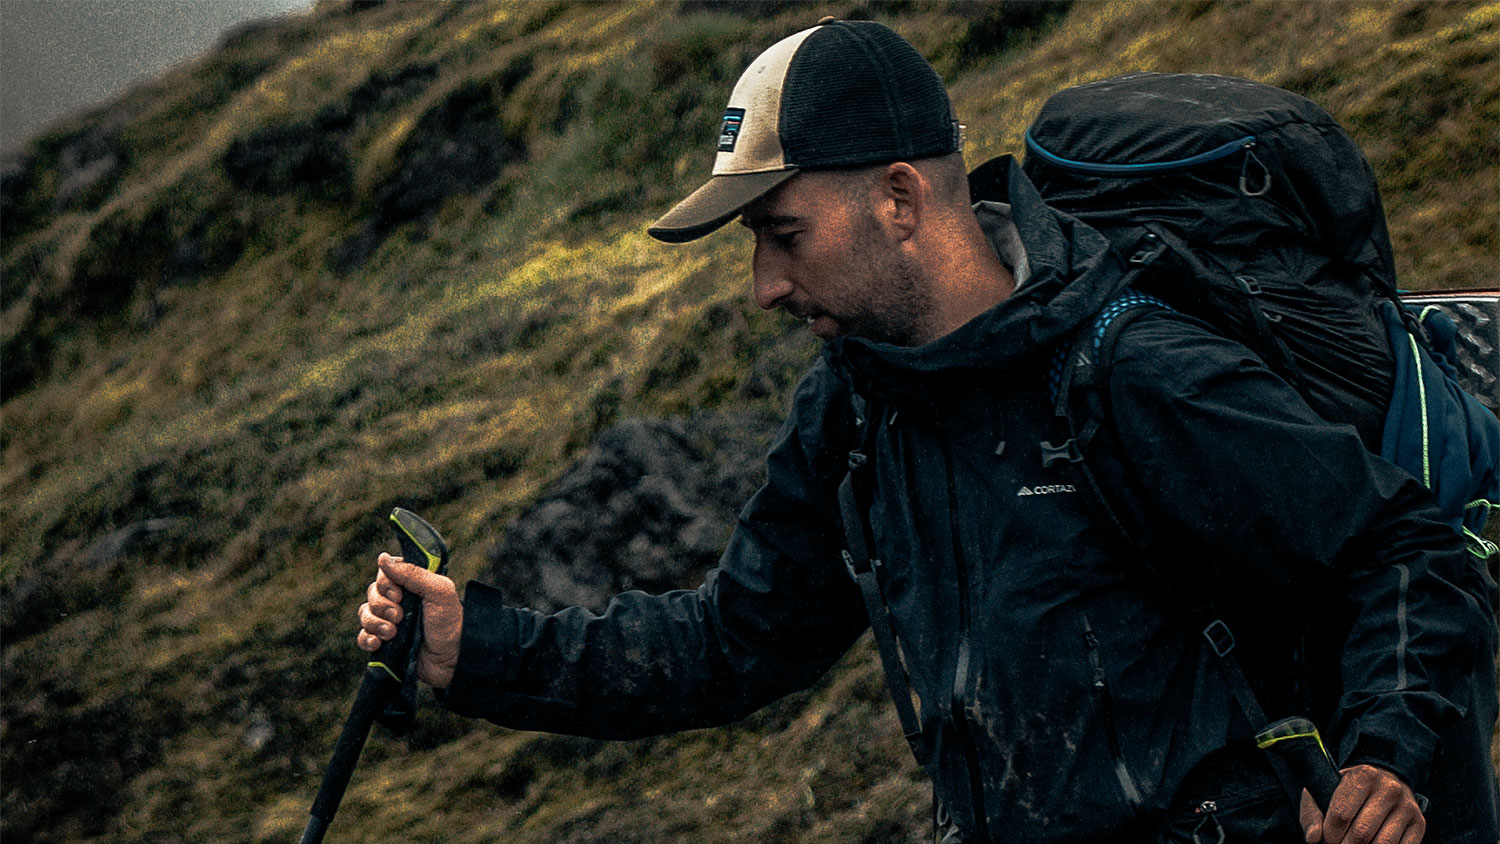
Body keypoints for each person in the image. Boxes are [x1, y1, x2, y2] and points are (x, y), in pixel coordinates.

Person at [356, 19, 1494, 844]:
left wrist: (1387, 752)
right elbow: (732, 643)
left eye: (782, 233)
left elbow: (1403, 548)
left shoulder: (1132, 370)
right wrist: (476, 647)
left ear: (900, 198)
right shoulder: (855, 406)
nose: (760, 285)